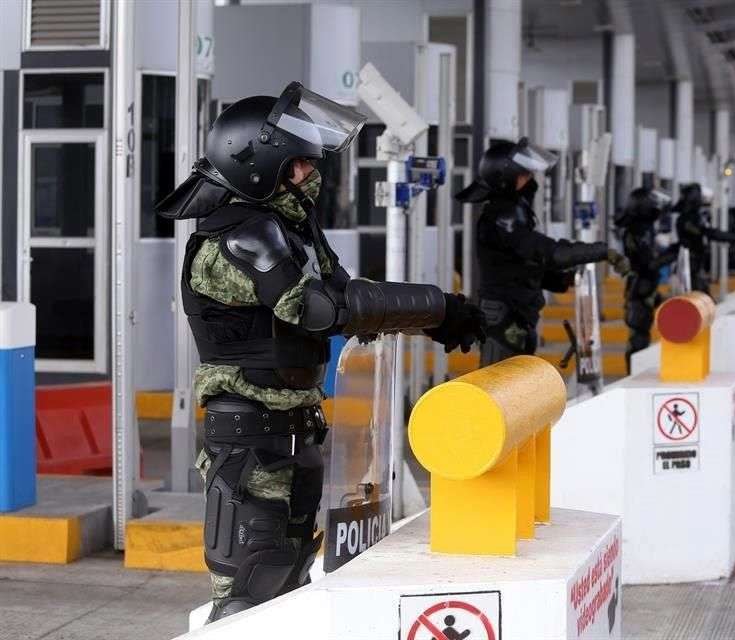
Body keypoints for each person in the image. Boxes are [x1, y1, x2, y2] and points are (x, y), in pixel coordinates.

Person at [156, 83, 485, 622]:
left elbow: (351, 296)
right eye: (299, 166)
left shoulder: (288, 229)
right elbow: (320, 308)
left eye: (311, 164)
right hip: (250, 438)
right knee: (249, 588)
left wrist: (438, 314)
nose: (311, 176)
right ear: (259, 166)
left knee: (290, 583)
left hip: (294, 428)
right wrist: (437, 308)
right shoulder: (241, 237)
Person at [455, 138, 631, 366]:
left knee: (518, 388)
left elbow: (523, 263)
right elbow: (550, 253)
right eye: (523, 175)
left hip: (517, 314)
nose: (529, 180)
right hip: (502, 317)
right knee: (500, 388)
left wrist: (562, 280)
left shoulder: (513, 214)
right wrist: (602, 252)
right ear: (505, 179)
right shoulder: (502, 217)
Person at [614, 188, 677, 367]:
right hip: (638, 290)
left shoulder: (644, 229)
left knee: (643, 335)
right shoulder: (636, 231)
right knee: (638, 339)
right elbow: (647, 264)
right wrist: (672, 254)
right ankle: (633, 376)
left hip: (645, 288)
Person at [673, 183, 735, 294]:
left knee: (701, 293)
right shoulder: (688, 219)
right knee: (699, 295)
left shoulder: (693, 216)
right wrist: (733, 237)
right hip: (690, 265)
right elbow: (709, 233)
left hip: (696, 263)